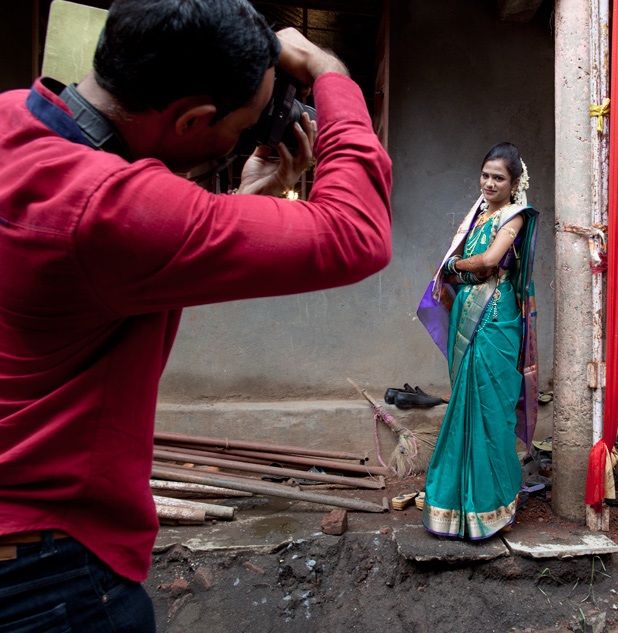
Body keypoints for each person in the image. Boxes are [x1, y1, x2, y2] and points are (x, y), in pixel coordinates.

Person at [0, 1, 392, 630]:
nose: (237, 142)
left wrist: (241, 203)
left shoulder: (13, 119)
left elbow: (118, 268)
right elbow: (355, 233)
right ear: (192, 120)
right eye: (236, 130)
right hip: (45, 572)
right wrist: (329, 71)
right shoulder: (108, 210)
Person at [416, 142, 539, 539]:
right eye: (485, 175)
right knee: (465, 408)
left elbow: (488, 262)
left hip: (494, 318)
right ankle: (454, 506)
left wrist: (452, 265)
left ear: (514, 183)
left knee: (489, 409)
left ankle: (490, 505)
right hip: (469, 313)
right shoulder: (479, 214)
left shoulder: (515, 217)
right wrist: (458, 272)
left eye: (498, 178)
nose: (489, 183)